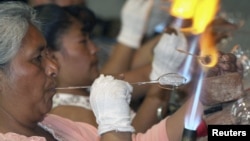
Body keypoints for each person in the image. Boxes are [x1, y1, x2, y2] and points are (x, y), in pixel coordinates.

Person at [0, 2, 209, 141]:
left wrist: (208, 93)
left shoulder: (53, 125)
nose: (53, 68)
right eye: (37, 59)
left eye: (47, 55)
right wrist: (113, 124)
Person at [34, 3, 172, 133]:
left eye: (90, 40)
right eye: (83, 42)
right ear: (51, 56)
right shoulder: (65, 114)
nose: (94, 48)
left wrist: (179, 27)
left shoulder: (90, 87)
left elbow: (145, 76)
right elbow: (135, 138)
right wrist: (163, 77)